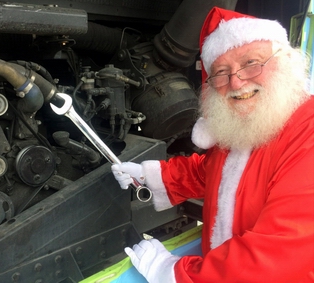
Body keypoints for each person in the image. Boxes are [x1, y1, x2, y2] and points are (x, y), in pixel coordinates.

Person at [111, 6, 314, 283]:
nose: (236, 81)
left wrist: (172, 273)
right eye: (221, 72)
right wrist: (148, 177)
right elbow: (212, 173)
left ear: (285, 61)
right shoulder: (250, 124)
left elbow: (280, 255)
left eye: (251, 62)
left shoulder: (309, 132)